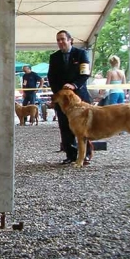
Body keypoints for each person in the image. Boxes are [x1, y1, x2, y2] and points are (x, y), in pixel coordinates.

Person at [47, 30, 93, 165]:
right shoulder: (54, 57)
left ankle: (86, 155)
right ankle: (71, 155)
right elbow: (51, 77)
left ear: (70, 40)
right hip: (62, 101)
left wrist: (74, 85)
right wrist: (59, 93)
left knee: (84, 127)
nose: (60, 42)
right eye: (58, 40)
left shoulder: (81, 54)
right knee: (65, 126)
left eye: (63, 39)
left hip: (80, 97)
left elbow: (85, 74)